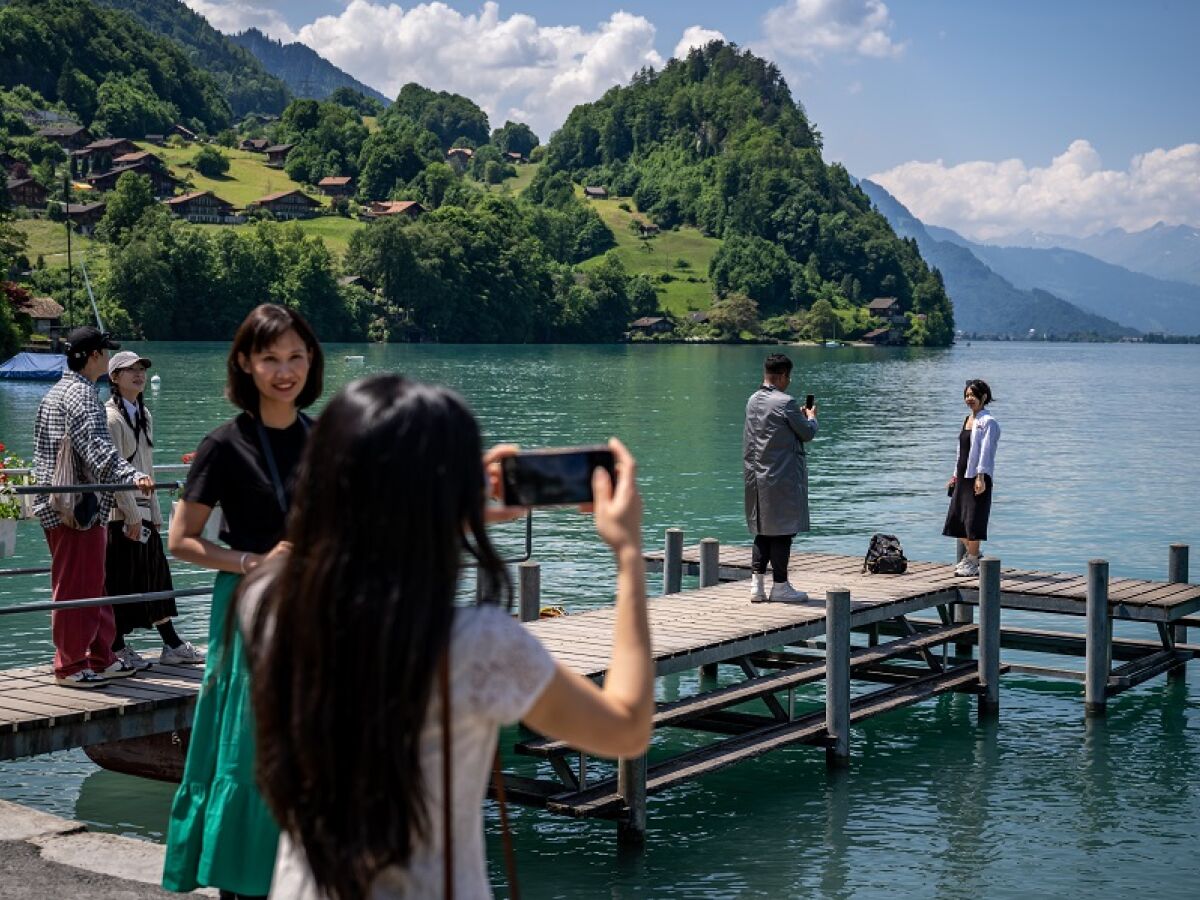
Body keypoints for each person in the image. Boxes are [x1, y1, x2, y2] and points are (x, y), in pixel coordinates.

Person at [245, 375, 653, 900]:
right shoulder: (478, 646)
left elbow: (329, 540)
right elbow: (626, 730)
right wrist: (627, 556)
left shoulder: (268, 602)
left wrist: (443, 507)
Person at [162, 304, 324, 900]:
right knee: (248, 746)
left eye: (296, 357)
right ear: (245, 363)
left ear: (312, 360)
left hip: (314, 607)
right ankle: (240, 881)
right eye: (270, 358)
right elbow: (181, 540)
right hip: (250, 605)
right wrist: (250, 561)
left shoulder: (325, 437)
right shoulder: (223, 445)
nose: (285, 371)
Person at [33, 326, 153, 689]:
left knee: (92, 583)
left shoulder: (56, 392)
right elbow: (98, 449)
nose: (106, 355)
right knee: (76, 588)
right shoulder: (83, 396)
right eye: (103, 351)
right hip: (77, 509)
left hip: (62, 503)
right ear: (92, 356)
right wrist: (132, 475)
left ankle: (101, 657)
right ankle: (70, 666)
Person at [105, 350, 205, 670]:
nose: (138, 374)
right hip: (121, 514)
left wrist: (155, 513)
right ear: (114, 378)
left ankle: (170, 643)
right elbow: (113, 470)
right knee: (121, 579)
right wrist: (132, 514)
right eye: (129, 370)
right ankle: (116, 645)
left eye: (141, 369)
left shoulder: (144, 415)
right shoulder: (110, 418)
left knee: (156, 575)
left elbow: (146, 468)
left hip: (144, 512)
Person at [743, 353, 818, 603]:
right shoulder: (785, 402)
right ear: (783, 375)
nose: (789, 381)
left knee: (762, 530)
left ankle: (757, 586)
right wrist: (811, 417)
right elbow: (807, 433)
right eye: (788, 376)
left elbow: (771, 426)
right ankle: (781, 586)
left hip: (755, 477)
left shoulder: (753, 400)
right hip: (780, 476)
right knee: (783, 531)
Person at [943, 379, 1000, 577]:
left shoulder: (988, 422)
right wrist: (953, 476)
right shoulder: (967, 420)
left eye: (973, 396)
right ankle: (974, 556)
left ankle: (973, 560)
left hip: (977, 477)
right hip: (962, 476)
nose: (969, 399)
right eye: (967, 395)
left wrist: (981, 476)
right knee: (957, 521)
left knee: (973, 520)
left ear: (984, 397)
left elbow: (986, 452)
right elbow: (961, 451)